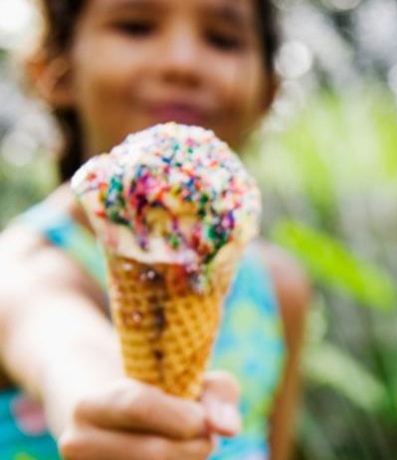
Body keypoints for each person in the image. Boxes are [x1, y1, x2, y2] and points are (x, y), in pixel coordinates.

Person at [0, 1, 310, 459]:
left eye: (222, 39)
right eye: (135, 27)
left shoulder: (278, 288)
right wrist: (104, 402)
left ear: (268, 91)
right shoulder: (22, 269)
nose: (181, 62)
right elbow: (62, 342)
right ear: (53, 70)